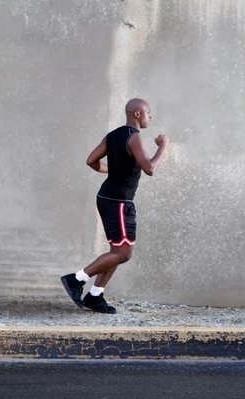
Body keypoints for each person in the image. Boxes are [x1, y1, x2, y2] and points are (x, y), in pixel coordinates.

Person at [61, 98, 169, 314]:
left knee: (117, 250)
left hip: (108, 198)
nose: (151, 115)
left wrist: (113, 170)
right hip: (119, 202)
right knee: (123, 254)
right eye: (148, 111)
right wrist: (164, 147)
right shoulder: (134, 137)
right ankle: (76, 279)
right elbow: (150, 168)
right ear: (137, 114)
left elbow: (91, 160)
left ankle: (95, 296)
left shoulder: (114, 135)